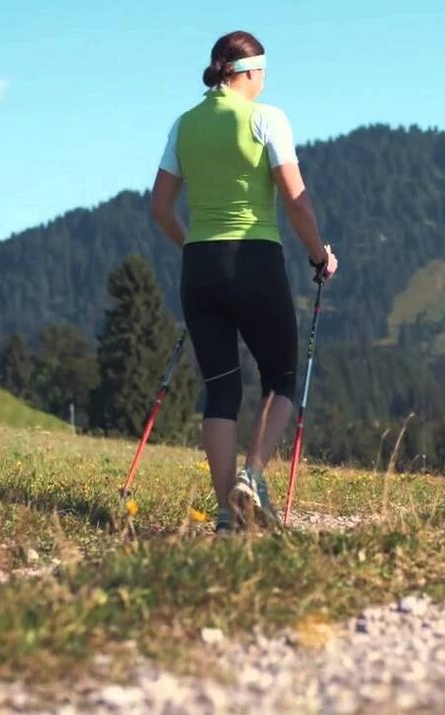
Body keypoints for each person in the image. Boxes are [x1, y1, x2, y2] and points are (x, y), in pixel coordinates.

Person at [151, 30, 338, 532]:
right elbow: (296, 200)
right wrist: (320, 255)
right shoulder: (266, 117)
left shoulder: (184, 125)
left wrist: (192, 243)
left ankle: (226, 515)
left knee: (220, 389)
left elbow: (160, 208)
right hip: (254, 259)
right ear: (250, 71)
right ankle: (251, 478)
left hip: (200, 266)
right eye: (265, 73)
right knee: (279, 377)